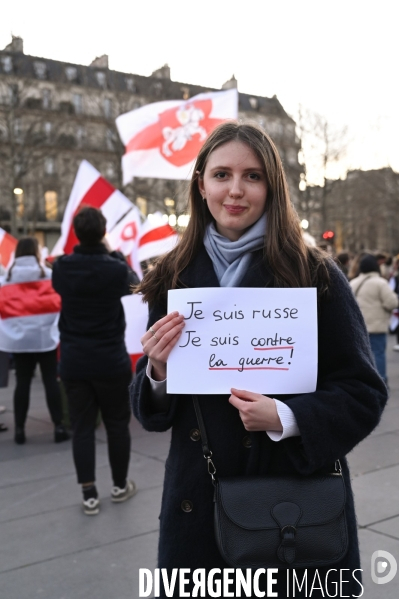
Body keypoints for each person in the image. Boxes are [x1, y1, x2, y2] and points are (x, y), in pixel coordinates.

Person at [131, 121, 387, 598]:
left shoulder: (315, 273)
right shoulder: (172, 276)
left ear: (272, 186)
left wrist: (287, 417)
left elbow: (363, 391)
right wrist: (158, 371)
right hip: (198, 507)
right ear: (201, 184)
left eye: (252, 176)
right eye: (222, 174)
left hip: (291, 507)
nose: (235, 190)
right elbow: (152, 405)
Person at [52, 207, 139, 516]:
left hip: (74, 360)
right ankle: (119, 485)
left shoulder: (62, 267)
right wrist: (115, 254)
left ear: (76, 232)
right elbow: (133, 282)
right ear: (104, 232)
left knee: (82, 427)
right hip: (110, 359)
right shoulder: (114, 268)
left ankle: (88, 493)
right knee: (117, 424)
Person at [0, 237, 69, 445]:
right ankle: (58, 427)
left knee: (22, 383)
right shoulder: (50, 276)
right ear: (37, 253)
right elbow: (59, 305)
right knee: (50, 381)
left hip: (19, 341)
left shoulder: (5, 281)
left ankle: (19, 430)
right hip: (44, 338)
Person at [350, 253, 398, 384]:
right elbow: (392, 302)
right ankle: (381, 381)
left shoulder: (353, 283)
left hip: (358, 327)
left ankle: (365, 382)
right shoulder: (380, 283)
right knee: (378, 354)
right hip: (377, 325)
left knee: (363, 357)